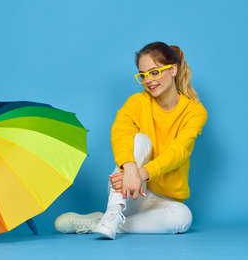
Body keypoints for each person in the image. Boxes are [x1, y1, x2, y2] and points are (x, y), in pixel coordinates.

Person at [54, 41, 208, 239]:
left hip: (161, 198)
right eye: (143, 75)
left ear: (173, 70)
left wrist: (141, 173)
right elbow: (120, 133)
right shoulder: (136, 102)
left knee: (182, 218)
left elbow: (179, 152)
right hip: (129, 191)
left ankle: (105, 223)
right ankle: (112, 213)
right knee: (140, 140)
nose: (148, 80)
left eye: (154, 72)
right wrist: (129, 169)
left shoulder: (194, 111)